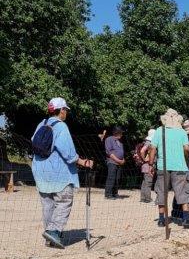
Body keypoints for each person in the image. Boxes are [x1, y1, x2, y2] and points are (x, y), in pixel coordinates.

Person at [31, 97, 93, 249]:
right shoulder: (61, 126)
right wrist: (82, 162)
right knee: (64, 201)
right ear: (62, 110)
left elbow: (33, 141)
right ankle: (54, 231)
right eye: (65, 110)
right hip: (58, 173)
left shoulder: (42, 123)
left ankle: (50, 235)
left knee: (48, 204)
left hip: (40, 171)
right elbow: (68, 152)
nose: (66, 113)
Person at [149, 109, 189, 229]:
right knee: (183, 193)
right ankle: (186, 218)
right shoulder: (182, 132)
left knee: (162, 192)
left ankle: (161, 219)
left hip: (162, 166)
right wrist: (185, 159)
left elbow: (152, 148)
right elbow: (186, 149)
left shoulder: (160, 131)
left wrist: (150, 164)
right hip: (180, 166)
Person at [135, 129, 155, 203]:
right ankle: (147, 199)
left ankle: (143, 198)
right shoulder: (150, 142)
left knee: (145, 181)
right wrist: (145, 159)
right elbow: (142, 151)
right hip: (148, 164)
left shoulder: (146, 142)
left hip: (144, 164)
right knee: (148, 182)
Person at [104, 127, 125, 199]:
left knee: (117, 178)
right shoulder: (109, 139)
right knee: (111, 178)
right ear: (117, 133)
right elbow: (109, 152)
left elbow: (121, 152)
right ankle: (108, 194)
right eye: (121, 133)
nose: (122, 134)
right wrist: (118, 160)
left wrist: (123, 159)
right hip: (112, 162)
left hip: (119, 163)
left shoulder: (120, 142)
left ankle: (115, 193)